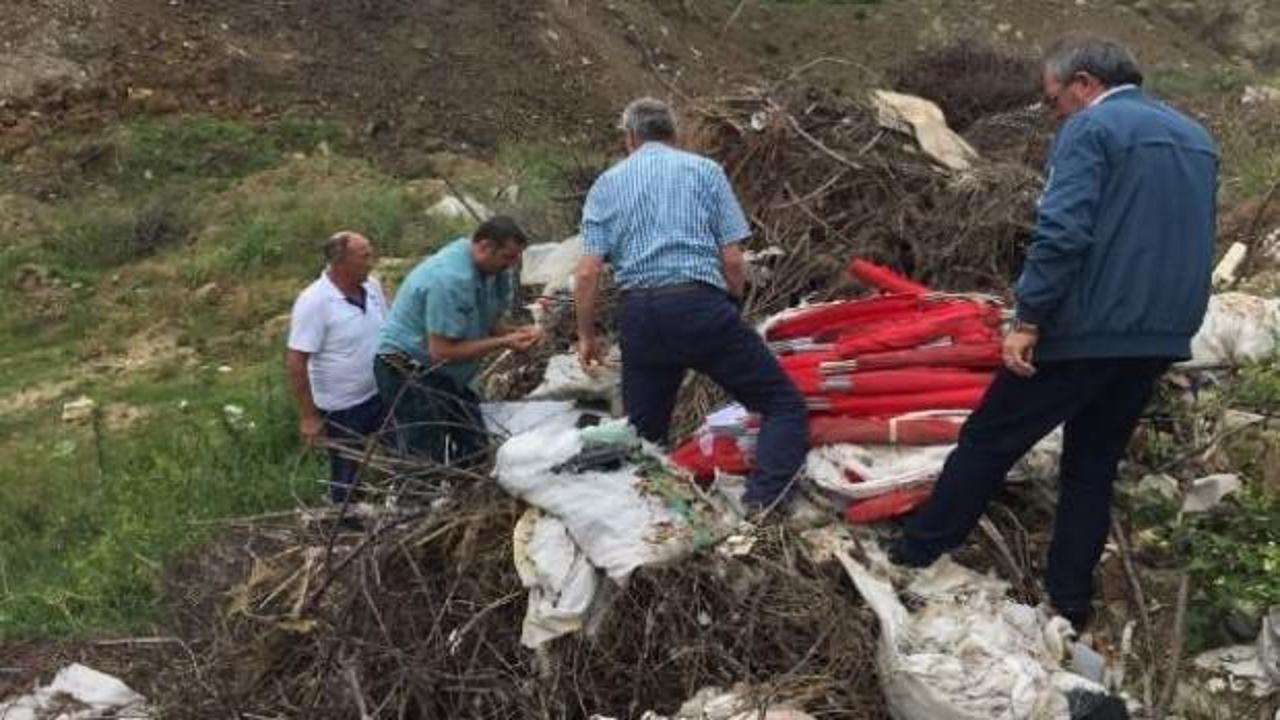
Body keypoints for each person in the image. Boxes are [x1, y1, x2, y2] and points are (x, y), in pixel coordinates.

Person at [890, 34, 1218, 629]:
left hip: (1086, 328)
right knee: (1091, 467)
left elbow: (1063, 231)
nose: (1053, 112)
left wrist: (1028, 317)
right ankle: (1068, 602)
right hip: (1159, 335)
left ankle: (916, 553)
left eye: (1053, 99)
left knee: (989, 440)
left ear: (1084, 84)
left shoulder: (1091, 131)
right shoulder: (1196, 139)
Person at [574, 97, 809, 511]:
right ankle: (761, 508)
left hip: (638, 316)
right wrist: (730, 308)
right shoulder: (704, 171)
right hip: (697, 304)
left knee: (645, 435)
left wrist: (586, 335)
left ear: (629, 138)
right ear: (675, 134)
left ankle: (648, 517)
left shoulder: (607, 184)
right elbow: (733, 259)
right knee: (782, 405)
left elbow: (589, 271)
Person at [375, 216, 542, 465]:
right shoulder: (449, 279)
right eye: (507, 257)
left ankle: (461, 493)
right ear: (485, 246)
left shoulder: (494, 271)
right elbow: (442, 351)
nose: (512, 264)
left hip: (448, 372)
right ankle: (416, 501)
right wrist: (505, 342)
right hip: (408, 369)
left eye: (516, 257)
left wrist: (516, 333)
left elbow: (491, 321)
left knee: (473, 443)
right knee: (423, 453)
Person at [287, 231, 389, 503]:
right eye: (364, 256)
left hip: (380, 391)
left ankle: (397, 499)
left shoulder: (373, 288)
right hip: (341, 406)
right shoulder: (314, 302)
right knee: (346, 471)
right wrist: (309, 418)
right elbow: (297, 361)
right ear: (340, 262)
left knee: (404, 446)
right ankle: (344, 518)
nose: (371, 262)